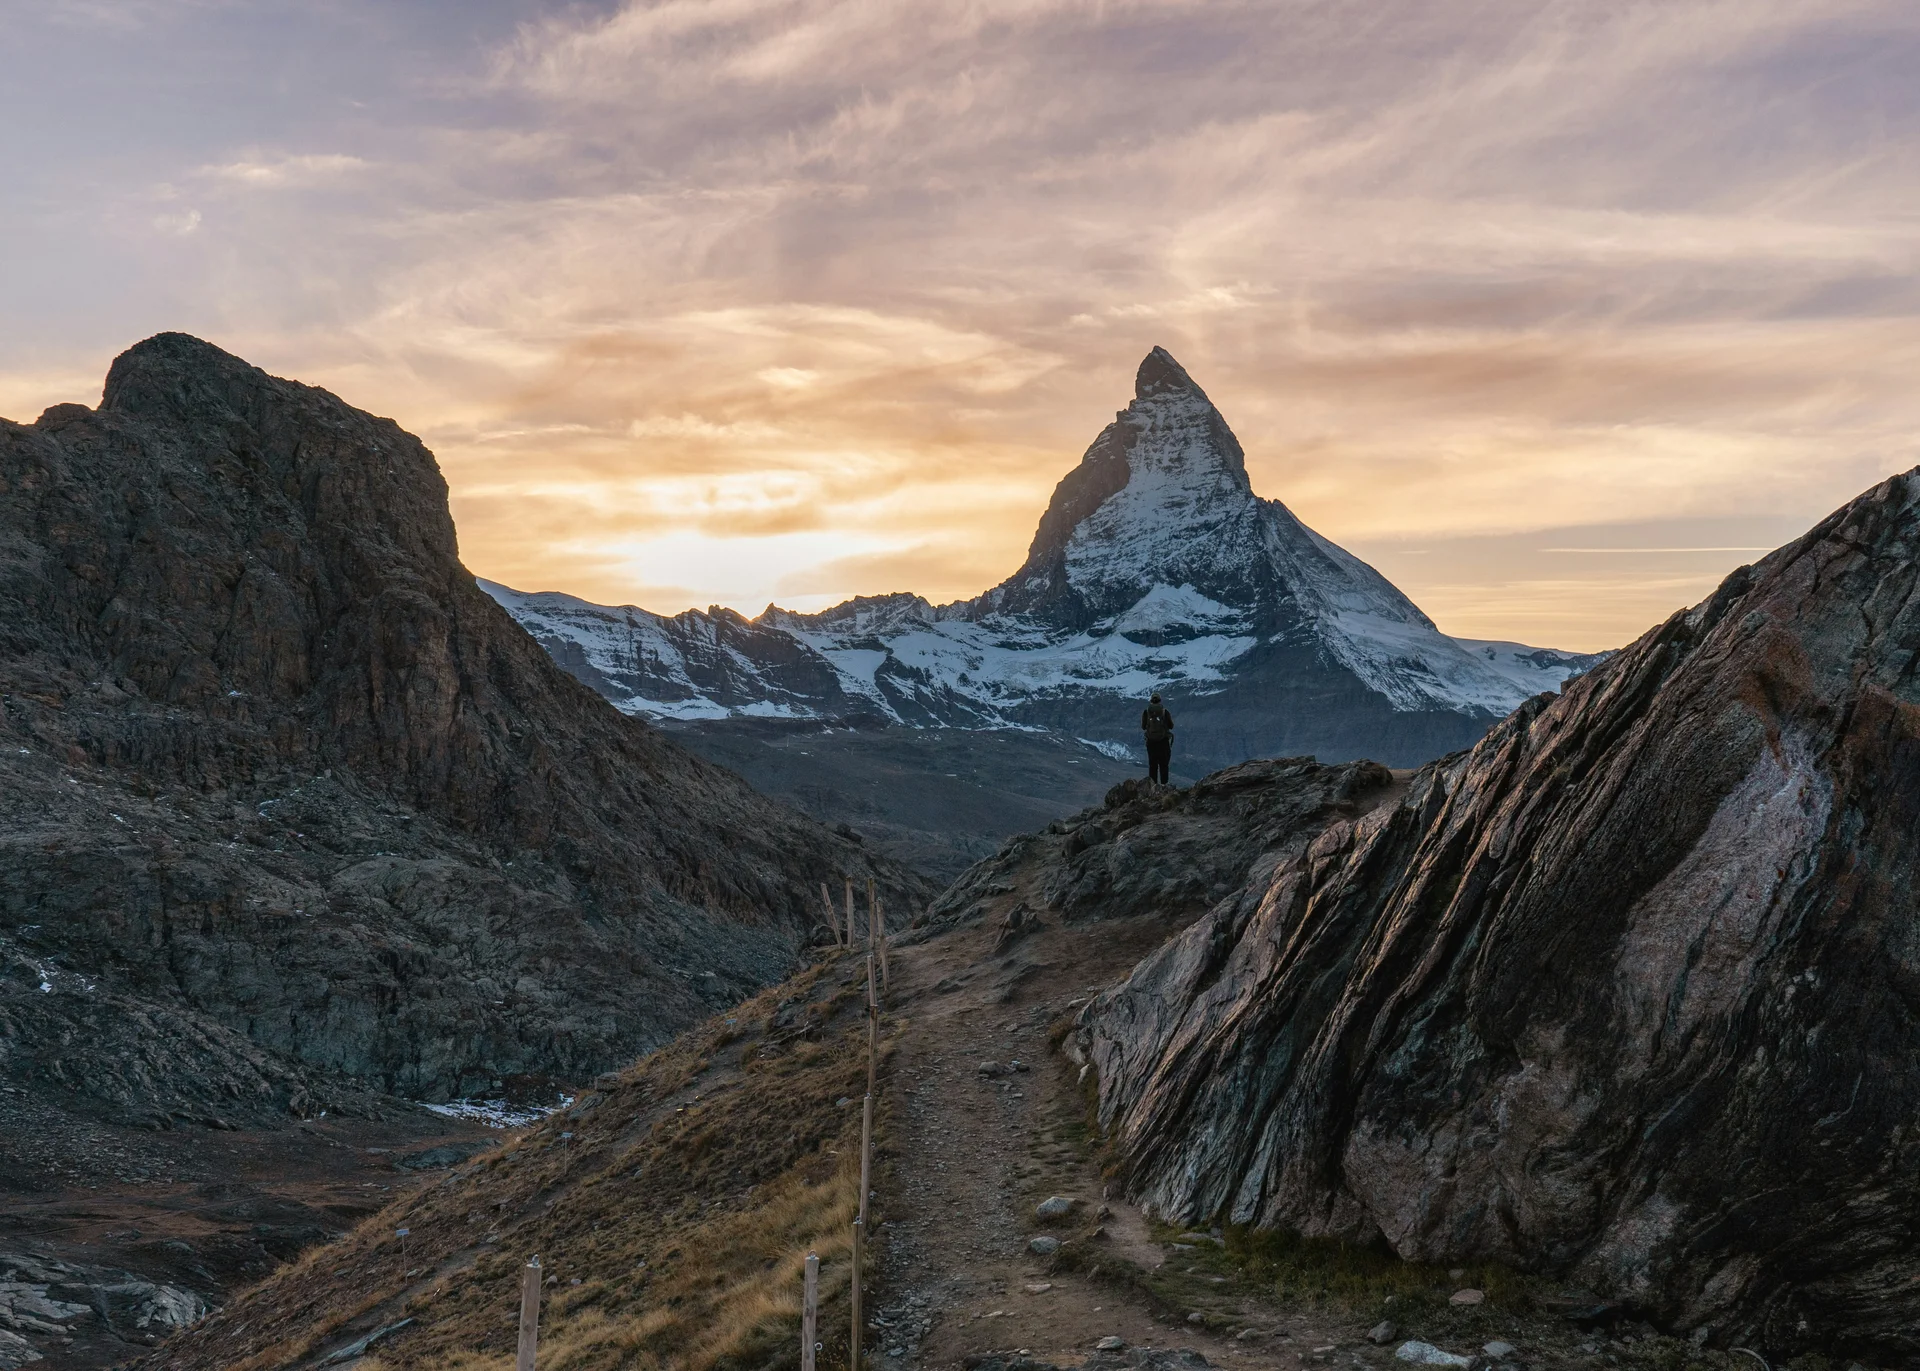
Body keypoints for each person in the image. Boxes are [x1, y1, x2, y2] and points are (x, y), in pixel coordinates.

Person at [1141, 691, 1173, 786]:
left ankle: (1153, 787)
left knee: (1153, 766)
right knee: (1164, 765)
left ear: (1151, 701)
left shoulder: (1146, 712)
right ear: (1160, 701)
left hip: (1151, 743)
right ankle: (1164, 787)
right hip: (1163, 742)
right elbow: (1171, 726)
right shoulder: (1164, 711)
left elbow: (1143, 727)